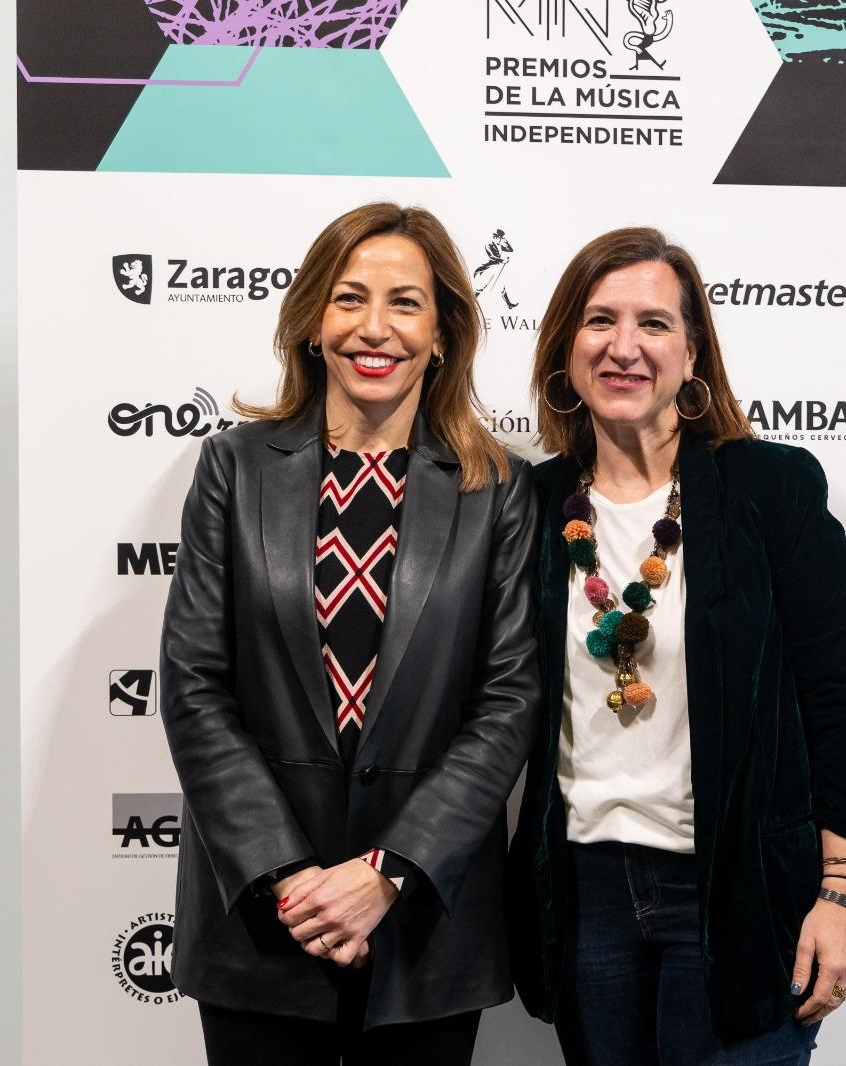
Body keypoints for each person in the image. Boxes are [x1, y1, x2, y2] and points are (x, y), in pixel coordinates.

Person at [159, 202, 540, 1065]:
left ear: (442, 334)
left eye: (405, 303)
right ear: (312, 322)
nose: (375, 328)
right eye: (349, 298)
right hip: (262, 921)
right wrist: (290, 876)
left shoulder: (497, 489)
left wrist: (386, 871)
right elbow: (194, 686)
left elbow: (509, 701)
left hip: (422, 925)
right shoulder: (234, 467)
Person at [508, 227, 846, 1065]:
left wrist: (842, 892)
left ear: (692, 351)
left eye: (653, 323)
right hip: (586, 896)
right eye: (600, 320)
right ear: (566, 348)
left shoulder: (769, 488)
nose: (624, 347)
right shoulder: (529, 505)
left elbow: (839, 695)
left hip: (744, 893)